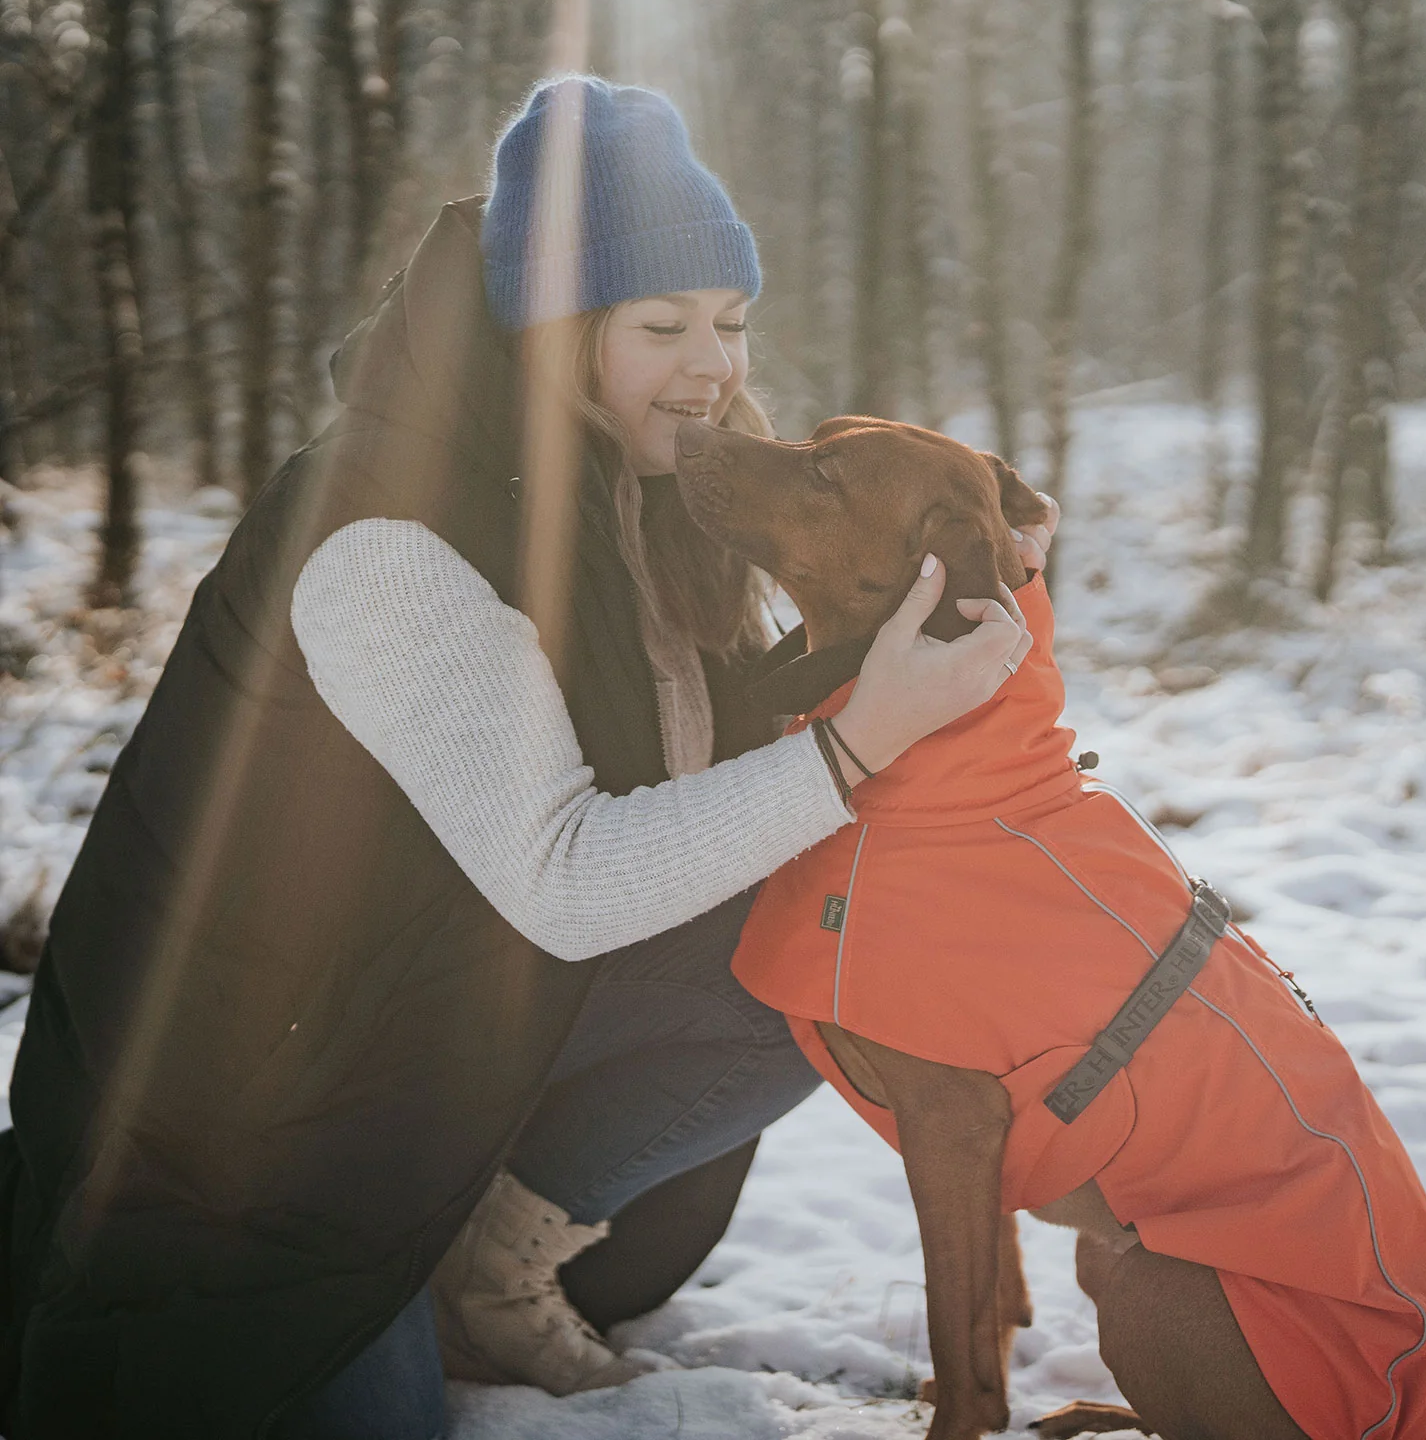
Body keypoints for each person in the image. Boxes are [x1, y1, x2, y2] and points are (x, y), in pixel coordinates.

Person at [0, 76, 1051, 1440]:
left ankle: (485, 1251)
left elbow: (716, 782)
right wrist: (858, 745)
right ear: (550, 333)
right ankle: (380, 1270)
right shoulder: (389, 534)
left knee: (822, 948)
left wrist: (967, 562)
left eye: (729, 325)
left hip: (437, 1031)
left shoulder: (640, 497)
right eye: (661, 325)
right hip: (250, 1129)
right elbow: (564, 876)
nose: (714, 368)